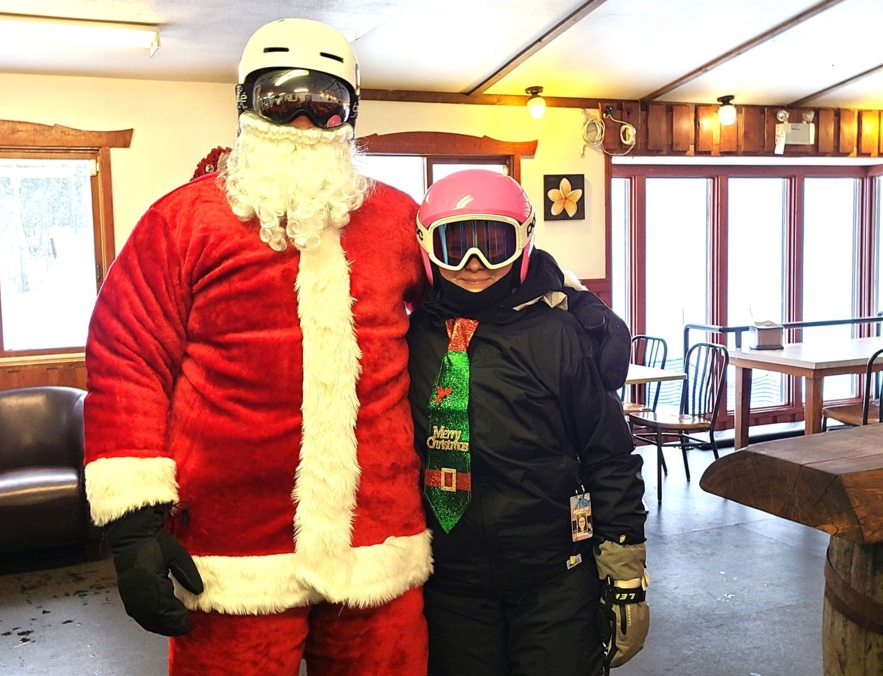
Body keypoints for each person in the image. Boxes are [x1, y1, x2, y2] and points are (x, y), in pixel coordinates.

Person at [84, 17, 631, 676]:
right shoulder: (181, 222)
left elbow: (479, 274)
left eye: (327, 104)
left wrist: (580, 308)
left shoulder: (396, 219)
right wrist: (133, 522)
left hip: (378, 545)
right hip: (236, 551)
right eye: (283, 100)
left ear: (350, 113)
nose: (307, 123)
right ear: (245, 106)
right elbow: (127, 359)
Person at [407, 169, 649, 676]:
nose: (474, 265)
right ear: (427, 248)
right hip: (450, 581)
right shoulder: (408, 335)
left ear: (523, 245)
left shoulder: (559, 332)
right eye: (456, 246)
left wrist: (624, 573)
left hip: (553, 576)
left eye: (493, 245)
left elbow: (609, 453)